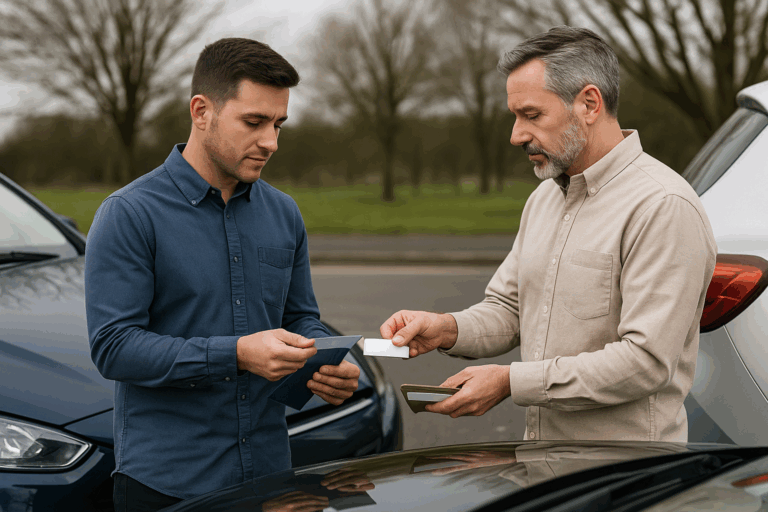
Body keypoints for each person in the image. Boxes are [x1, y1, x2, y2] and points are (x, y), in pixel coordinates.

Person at [381, 26, 716, 442]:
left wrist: (511, 382)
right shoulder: (543, 199)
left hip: (627, 474)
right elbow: (511, 309)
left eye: (532, 115)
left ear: (589, 103)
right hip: (543, 465)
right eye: (515, 116)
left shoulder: (663, 206)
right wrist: (446, 327)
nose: (516, 135)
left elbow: (646, 361)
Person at [85, 38, 360, 510]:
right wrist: (236, 354)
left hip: (272, 477)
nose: (271, 142)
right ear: (201, 111)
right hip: (168, 485)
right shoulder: (129, 213)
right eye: (254, 122)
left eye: (278, 124)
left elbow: (301, 317)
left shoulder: (284, 213)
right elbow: (114, 348)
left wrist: (326, 364)